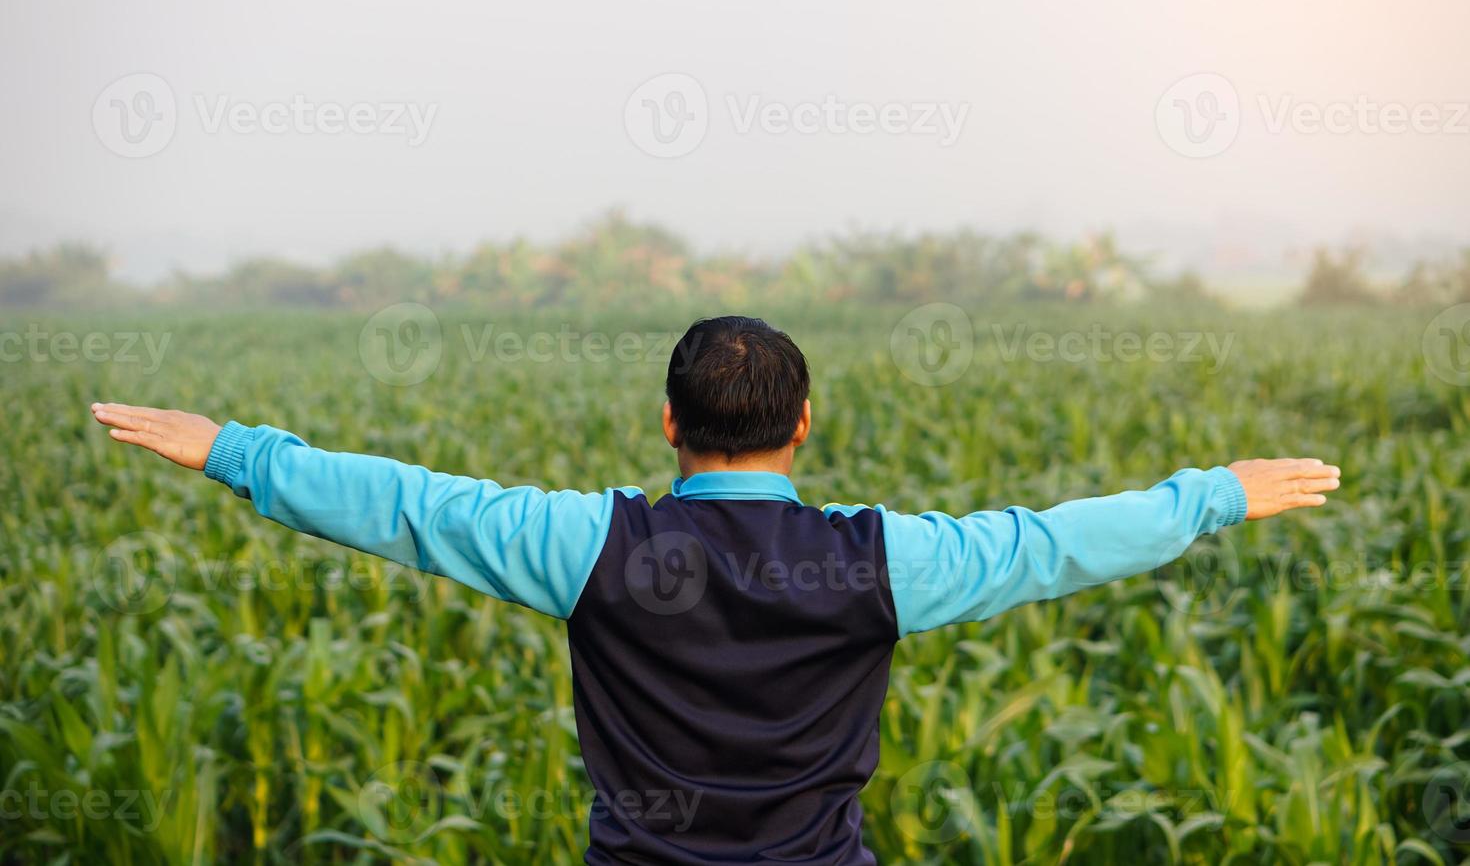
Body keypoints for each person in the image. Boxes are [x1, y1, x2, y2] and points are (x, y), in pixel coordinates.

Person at [91, 314, 1340, 865]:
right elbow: (1055, 539)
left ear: (670, 420)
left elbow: (410, 503)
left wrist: (233, 447)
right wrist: (1214, 490)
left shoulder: (584, 542)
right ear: (803, 423)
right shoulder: (883, 560)